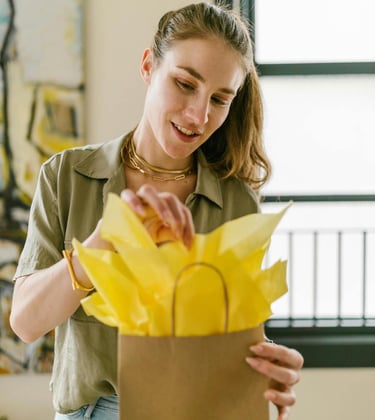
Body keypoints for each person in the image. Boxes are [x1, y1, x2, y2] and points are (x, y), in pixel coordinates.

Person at [10, 2, 304, 419]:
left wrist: (270, 365)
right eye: (185, 84)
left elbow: (229, 333)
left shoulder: (238, 201)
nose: (198, 116)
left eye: (220, 99)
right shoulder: (66, 176)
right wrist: (104, 242)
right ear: (149, 66)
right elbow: (25, 322)